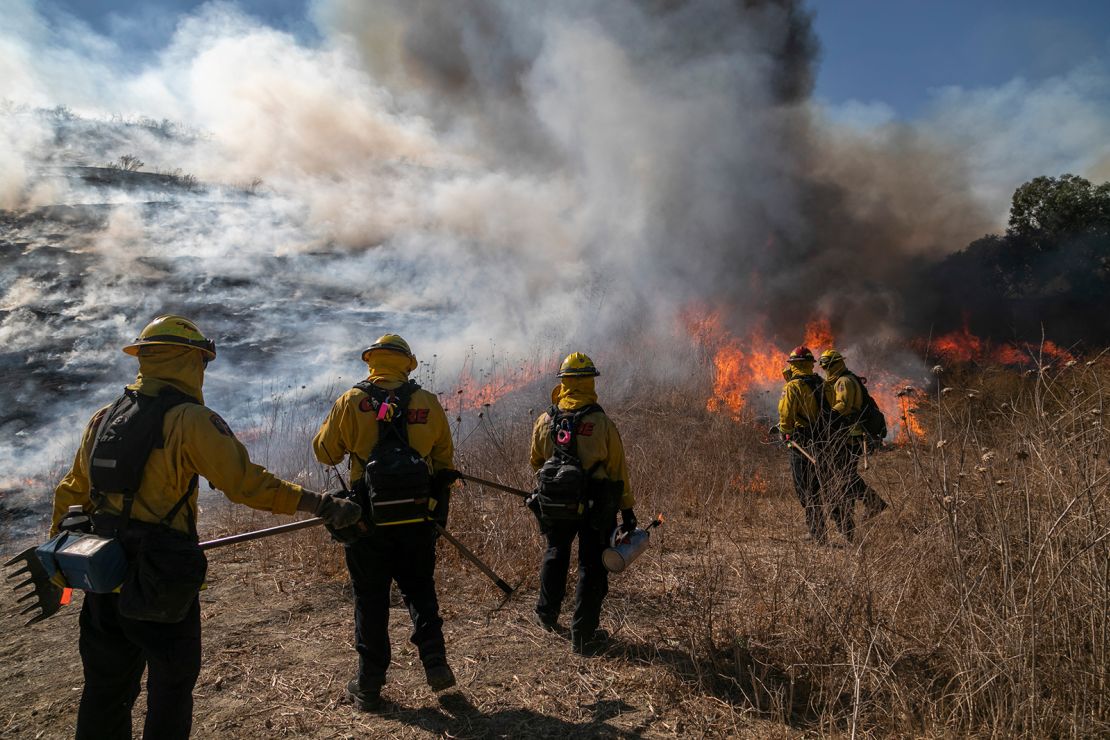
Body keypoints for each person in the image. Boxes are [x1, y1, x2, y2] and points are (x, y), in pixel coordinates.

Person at [51, 315, 362, 740]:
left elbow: (70, 491)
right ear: (188, 360)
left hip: (103, 577)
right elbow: (246, 485)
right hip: (162, 580)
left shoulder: (102, 418)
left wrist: (59, 563)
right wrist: (319, 503)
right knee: (171, 690)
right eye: (202, 362)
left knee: (105, 692)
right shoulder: (191, 420)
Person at [312, 334, 458, 711]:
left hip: (365, 520)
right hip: (416, 516)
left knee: (371, 599)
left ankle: (369, 684)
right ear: (407, 363)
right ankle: (435, 662)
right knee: (420, 590)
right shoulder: (426, 401)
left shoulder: (351, 400)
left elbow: (324, 452)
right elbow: (444, 461)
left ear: (372, 362)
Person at [528, 352, 635, 656]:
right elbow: (618, 470)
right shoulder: (600, 422)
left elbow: (535, 461)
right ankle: (583, 635)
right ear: (589, 381)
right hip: (595, 507)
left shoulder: (545, 420)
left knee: (555, 553)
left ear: (563, 382)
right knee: (591, 565)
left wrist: (555, 485)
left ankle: (546, 615)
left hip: (555, 505)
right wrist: (627, 510)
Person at [817, 349, 888, 542]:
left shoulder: (844, 382)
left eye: (827, 366)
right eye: (823, 366)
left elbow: (844, 406)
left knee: (845, 476)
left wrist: (825, 418)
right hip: (847, 436)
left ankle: (873, 502)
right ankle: (854, 517)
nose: (824, 369)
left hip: (850, 437)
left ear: (835, 364)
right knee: (843, 477)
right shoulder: (842, 379)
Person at [776, 345, 828, 543]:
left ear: (793, 365)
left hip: (802, 440)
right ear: (810, 364)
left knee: (803, 486)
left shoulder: (793, 386)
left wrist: (785, 434)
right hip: (822, 438)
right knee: (814, 485)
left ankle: (817, 532)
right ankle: (819, 531)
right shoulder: (820, 382)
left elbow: (786, 413)